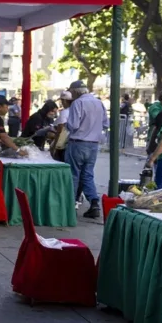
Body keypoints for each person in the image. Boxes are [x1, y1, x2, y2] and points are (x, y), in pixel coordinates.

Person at [65, 80, 108, 219]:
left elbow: (73, 125)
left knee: (73, 174)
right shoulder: (98, 103)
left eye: (71, 92)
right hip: (93, 144)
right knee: (87, 175)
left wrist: (66, 126)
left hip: (78, 142)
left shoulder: (78, 103)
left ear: (75, 91)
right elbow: (105, 124)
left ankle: (70, 206)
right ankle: (94, 202)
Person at [50, 91, 73, 162]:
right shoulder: (75, 110)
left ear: (65, 101)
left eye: (62, 101)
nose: (61, 103)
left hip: (63, 144)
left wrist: (54, 145)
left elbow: (60, 129)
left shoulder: (64, 112)